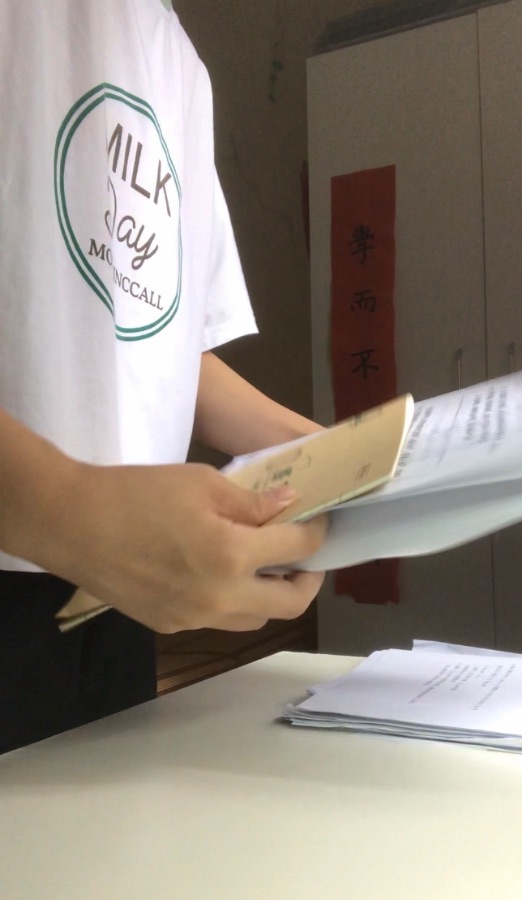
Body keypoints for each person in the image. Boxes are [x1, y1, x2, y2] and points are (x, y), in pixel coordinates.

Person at [0, 0, 327, 753]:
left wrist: (349, 457)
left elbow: (164, 346)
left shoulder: (176, 58)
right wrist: (69, 507)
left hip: (117, 591)